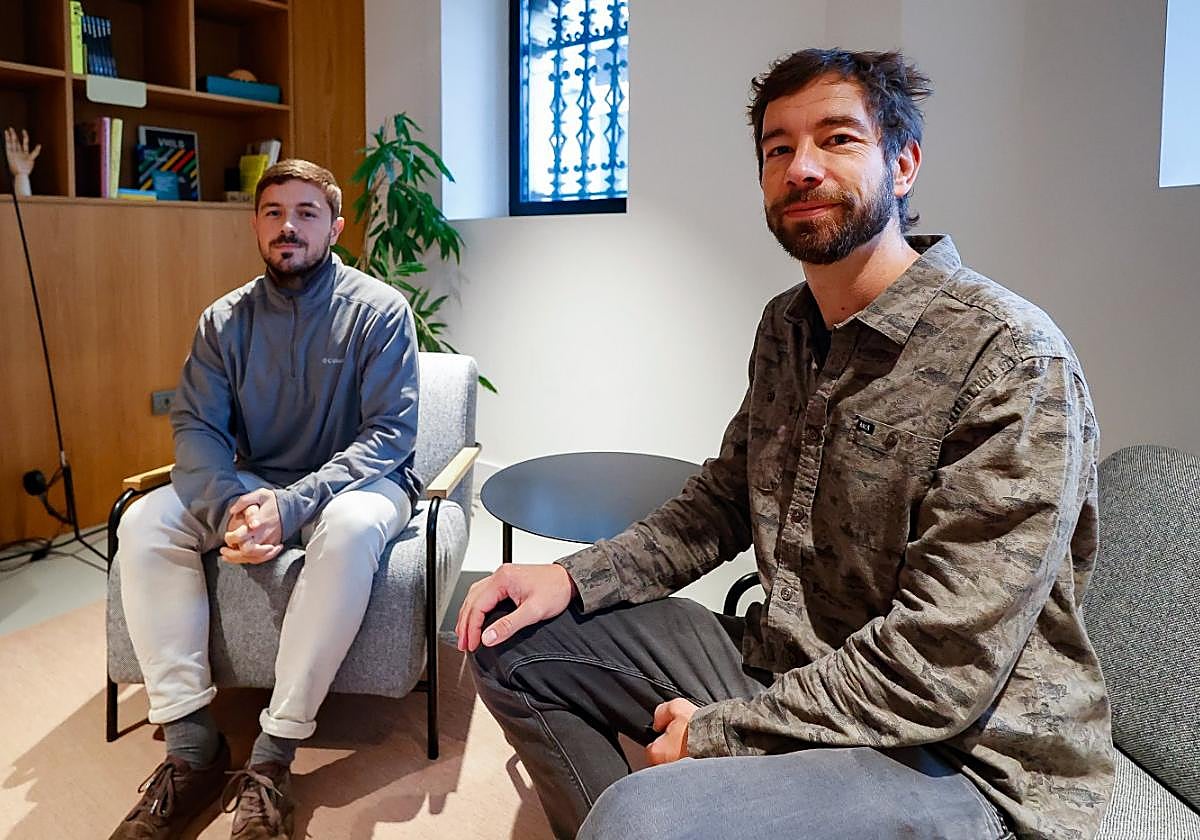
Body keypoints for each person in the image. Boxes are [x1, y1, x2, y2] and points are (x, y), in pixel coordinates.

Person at [457, 49, 1114, 840]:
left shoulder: (1010, 357)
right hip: (792, 663)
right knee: (509, 636)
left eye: (837, 139)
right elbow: (723, 500)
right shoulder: (789, 326)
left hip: (964, 755)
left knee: (644, 815)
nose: (801, 167)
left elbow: (940, 668)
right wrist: (572, 578)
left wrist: (720, 734)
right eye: (778, 148)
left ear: (902, 164)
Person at [110, 159, 421, 840]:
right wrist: (232, 508)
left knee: (347, 529)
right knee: (144, 522)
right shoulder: (224, 321)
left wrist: (293, 506)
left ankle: (274, 754)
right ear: (256, 224)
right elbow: (196, 429)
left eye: (307, 213)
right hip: (258, 483)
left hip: (364, 485)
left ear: (336, 228)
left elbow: (390, 435)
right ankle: (193, 747)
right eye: (274, 212)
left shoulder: (379, 312)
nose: (289, 227)